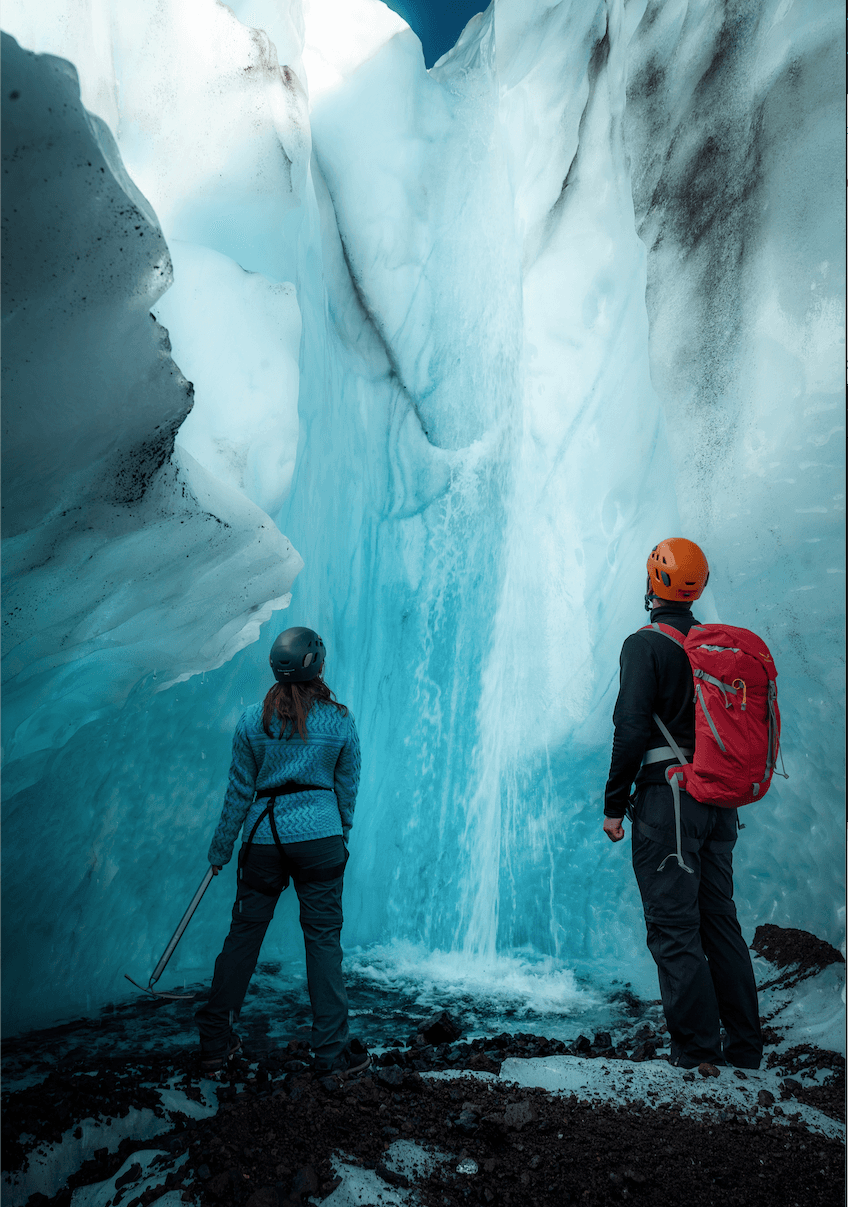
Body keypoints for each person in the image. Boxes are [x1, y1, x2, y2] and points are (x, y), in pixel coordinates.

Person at [603, 538, 762, 1070]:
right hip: (719, 802)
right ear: (699, 586)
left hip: (668, 803)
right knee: (720, 922)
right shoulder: (711, 648)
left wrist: (613, 805)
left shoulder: (644, 645)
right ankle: (745, 1049)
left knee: (674, 929)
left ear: (653, 583)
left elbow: (630, 730)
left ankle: (696, 1054)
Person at [195, 626, 369, 1079]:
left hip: (263, 839)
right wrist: (340, 834)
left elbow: (239, 791)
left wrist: (221, 850)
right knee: (323, 941)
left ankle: (215, 1043)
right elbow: (347, 787)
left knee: (243, 936)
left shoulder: (252, 721)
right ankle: (331, 1055)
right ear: (318, 667)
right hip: (320, 839)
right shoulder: (340, 720)